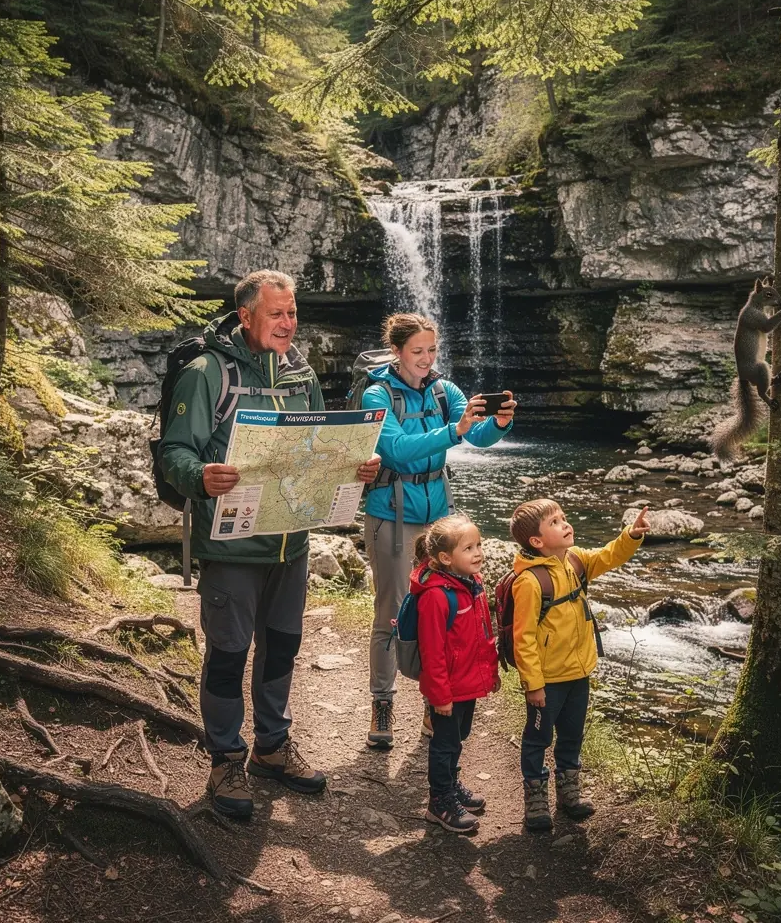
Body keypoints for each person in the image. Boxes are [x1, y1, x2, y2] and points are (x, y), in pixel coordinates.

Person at [159, 269, 380, 820]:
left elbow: (316, 446)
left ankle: (272, 747)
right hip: (231, 548)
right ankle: (225, 759)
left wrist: (354, 467)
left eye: (293, 312)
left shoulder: (300, 372)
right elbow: (173, 452)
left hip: (291, 543)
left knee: (282, 648)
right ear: (246, 316)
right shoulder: (206, 372)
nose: (289, 323)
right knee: (229, 655)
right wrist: (200, 475)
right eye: (278, 313)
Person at [361, 312, 515, 750]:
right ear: (396, 352)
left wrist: (499, 422)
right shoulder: (378, 395)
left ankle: (435, 701)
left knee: (442, 613)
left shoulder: (445, 390)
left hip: (438, 519)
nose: (427, 359)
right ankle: (382, 702)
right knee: (392, 610)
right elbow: (395, 449)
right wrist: (454, 430)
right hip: (391, 514)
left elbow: (477, 435)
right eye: (417, 352)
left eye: (432, 350)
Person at [508, 498, 651, 830]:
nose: (565, 524)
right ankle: (536, 798)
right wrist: (534, 684)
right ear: (537, 542)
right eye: (555, 522)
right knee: (537, 739)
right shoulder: (530, 582)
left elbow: (608, 556)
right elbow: (523, 638)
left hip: (578, 671)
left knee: (571, 735)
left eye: (563, 518)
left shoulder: (575, 560)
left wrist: (630, 535)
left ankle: (569, 792)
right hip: (548, 680)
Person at [411, 514, 499, 834]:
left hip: (468, 683)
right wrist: (440, 696)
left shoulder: (472, 583)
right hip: (448, 689)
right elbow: (432, 654)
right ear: (446, 558)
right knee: (444, 743)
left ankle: (452, 782)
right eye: (468, 548)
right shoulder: (436, 596)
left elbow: (482, 633)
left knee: (457, 739)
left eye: (479, 545)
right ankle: (440, 800)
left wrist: (490, 672)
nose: (478, 553)